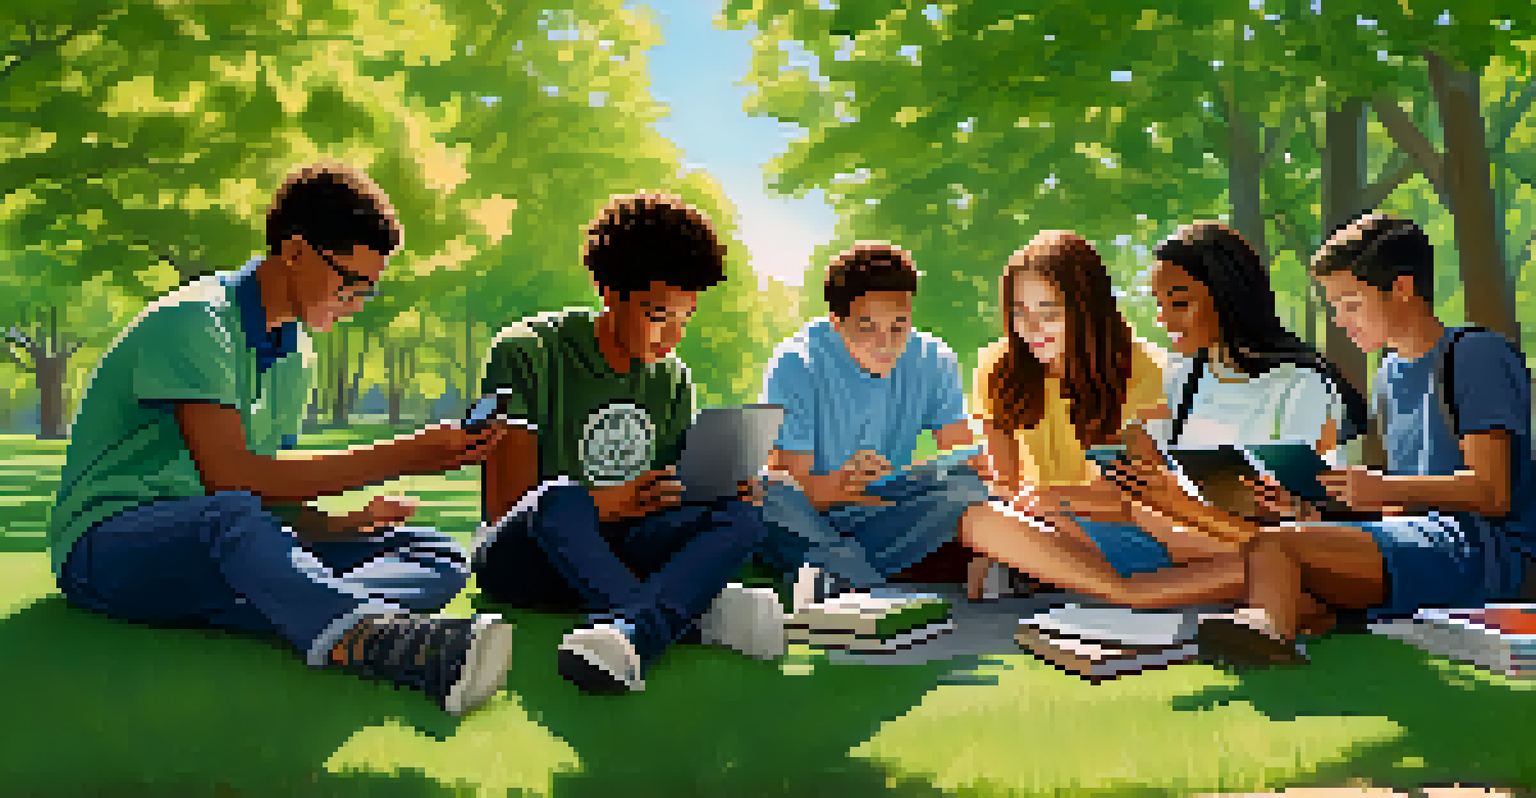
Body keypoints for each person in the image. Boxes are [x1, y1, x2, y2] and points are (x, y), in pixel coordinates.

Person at [51, 162, 515, 716]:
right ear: (295, 251)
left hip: (225, 539)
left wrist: (334, 524)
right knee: (231, 515)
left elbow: (261, 491)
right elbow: (232, 479)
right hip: (110, 546)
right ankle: (374, 639)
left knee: (436, 553)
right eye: (349, 281)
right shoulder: (197, 323)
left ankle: (302, 605)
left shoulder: (296, 353)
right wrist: (407, 454)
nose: (355, 301)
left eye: (368, 289)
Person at [471, 192, 811, 695]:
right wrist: (612, 502)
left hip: (621, 553)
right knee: (560, 498)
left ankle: (631, 633)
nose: (671, 337)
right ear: (608, 291)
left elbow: (668, 500)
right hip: (526, 558)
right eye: (657, 315)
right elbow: (508, 507)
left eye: (684, 319)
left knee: (743, 515)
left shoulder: (672, 380)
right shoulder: (527, 352)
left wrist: (718, 493)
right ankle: (681, 617)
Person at [957, 222, 1369, 610]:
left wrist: (1159, 503)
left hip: (1248, 538)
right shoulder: (1180, 377)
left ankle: (1130, 589)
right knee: (983, 521)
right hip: (1165, 532)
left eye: (1179, 304)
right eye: (1160, 305)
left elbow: (1311, 511)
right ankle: (1160, 582)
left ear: (1227, 298)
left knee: (1276, 551)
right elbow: (1138, 488)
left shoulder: (1301, 386)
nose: (1163, 320)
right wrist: (1061, 503)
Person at [1195, 213, 1536, 667]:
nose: (1341, 321)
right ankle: (1276, 625)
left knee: (1275, 547)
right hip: (1423, 539)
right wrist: (1314, 504)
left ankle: (1268, 635)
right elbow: (1400, 505)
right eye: (1335, 308)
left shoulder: (1474, 355)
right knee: (1286, 555)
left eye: (1351, 304)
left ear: (1402, 288)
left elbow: (1493, 493)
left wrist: (1385, 489)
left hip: (1484, 552)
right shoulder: (1389, 375)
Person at [755, 242, 990, 605]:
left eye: (899, 327)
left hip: (885, 514)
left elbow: (961, 457)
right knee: (766, 491)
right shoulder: (796, 363)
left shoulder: (934, 359)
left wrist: (909, 481)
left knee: (969, 486)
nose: (886, 345)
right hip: (817, 516)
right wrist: (841, 482)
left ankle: (836, 575)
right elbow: (792, 483)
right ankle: (864, 578)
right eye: (867, 329)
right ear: (836, 321)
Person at [965, 230, 1171, 597]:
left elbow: (1150, 493)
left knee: (1045, 527)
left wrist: (1060, 500)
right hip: (1037, 517)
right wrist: (1028, 503)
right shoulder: (997, 369)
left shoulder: (1143, 368)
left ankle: (1101, 579)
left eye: (1049, 313)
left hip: (1120, 521)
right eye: (1019, 313)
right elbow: (1006, 481)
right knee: (979, 519)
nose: (1032, 329)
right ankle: (1046, 566)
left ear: (1088, 310)